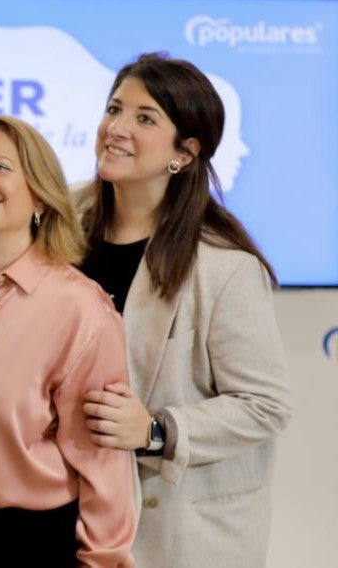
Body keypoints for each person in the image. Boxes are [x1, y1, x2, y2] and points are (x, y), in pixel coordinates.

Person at [78, 53, 291, 567]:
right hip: (68, 510)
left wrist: (154, 428)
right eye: (114, 109)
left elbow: (265, 405)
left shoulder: (223, 266)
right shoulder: (57, 223)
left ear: (185, 153)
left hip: (177, 536)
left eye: (145, 118)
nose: (117, 128)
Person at [0, 115, 136, 567]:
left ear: (41, 199)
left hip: (29, 544)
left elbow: (103, 466)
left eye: (0, 167)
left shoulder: (77, 307)